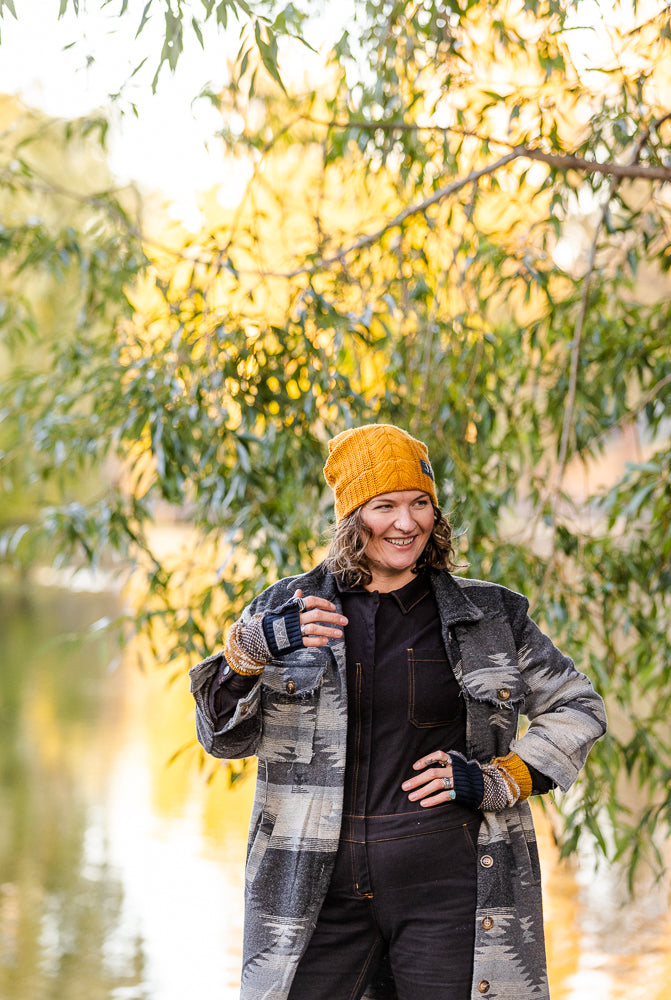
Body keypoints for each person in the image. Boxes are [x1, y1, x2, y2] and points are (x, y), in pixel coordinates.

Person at [190, 423, 607, 1000]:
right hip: (310, 893)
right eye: (384, 506)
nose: (406, 523)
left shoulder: (490, 617)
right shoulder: (284, 608)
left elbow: (577, 706)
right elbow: (222, 739)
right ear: (350, 516)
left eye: (420, 504)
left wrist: (502, 779)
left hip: (450, 890)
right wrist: (248, 651)